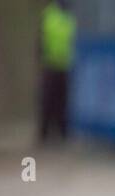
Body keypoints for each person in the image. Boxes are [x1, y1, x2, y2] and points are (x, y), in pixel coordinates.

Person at [38, 0, 75, 142]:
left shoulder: (70, 16)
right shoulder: (49, 14)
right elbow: (40, 39)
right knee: (47, 100)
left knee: (63, 102)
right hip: (50, 65)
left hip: (66, 66)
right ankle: (44, 134)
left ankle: (63, 134)